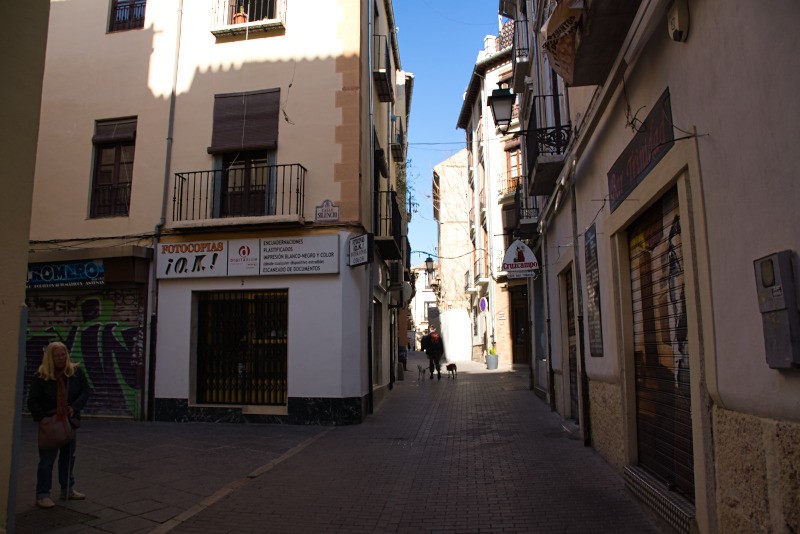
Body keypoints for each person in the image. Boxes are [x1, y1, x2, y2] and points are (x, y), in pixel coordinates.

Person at [28, 341, 91, 509]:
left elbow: (86, 391)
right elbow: (32, 400)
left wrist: (74, 407)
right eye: (57, 356)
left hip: (69, 422)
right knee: (47, 460)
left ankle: (67, 488)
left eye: (63, 354)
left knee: (68, 457)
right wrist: (43, 419)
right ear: (50, 357)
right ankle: (42, 495)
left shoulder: (75, 372)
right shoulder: (41, 376)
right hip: (50, 423)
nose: (61, 358)